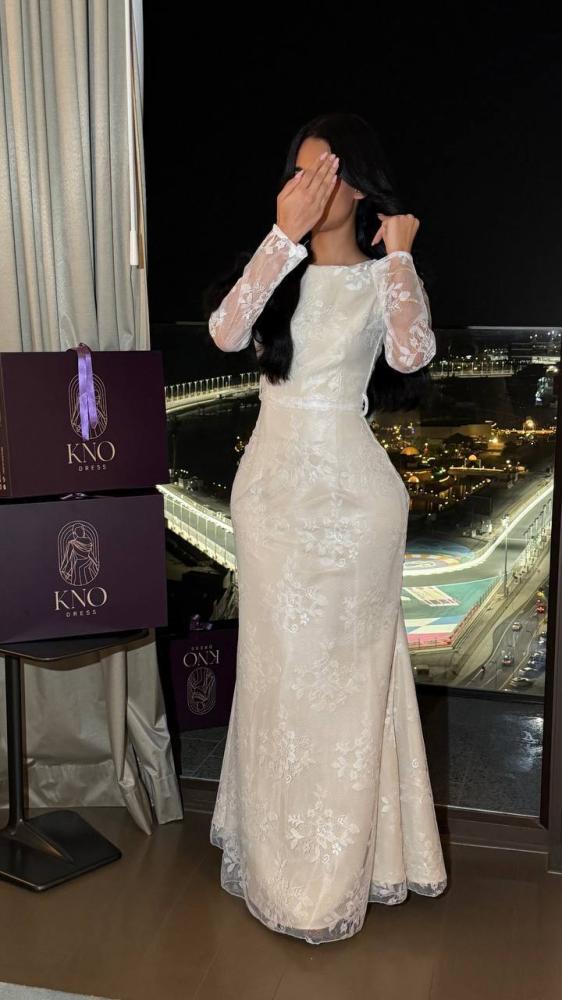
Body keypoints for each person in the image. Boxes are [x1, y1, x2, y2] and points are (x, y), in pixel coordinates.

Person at [205, 112, 447, 945]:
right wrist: (282, 236)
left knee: (349, 686)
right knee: (278, 678)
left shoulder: (380, 279)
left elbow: (411, 354)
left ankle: (349, 867)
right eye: (301, 172)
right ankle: (278, 861)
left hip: (355, 505)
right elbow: (226, 331)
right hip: (272, 501)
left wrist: (401, 253)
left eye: (330, 170)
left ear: (359, 181)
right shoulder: (277, 270)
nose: (315, 185)